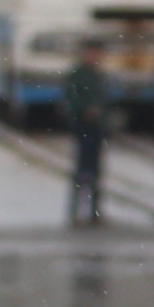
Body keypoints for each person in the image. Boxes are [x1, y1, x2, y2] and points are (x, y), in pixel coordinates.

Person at [58, 44, 121, 227]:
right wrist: (84, 110)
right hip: (82, 126)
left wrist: (104, 117)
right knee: (82, 169)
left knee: (95, 170)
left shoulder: (99, 76)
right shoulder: (78, 76)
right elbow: (71, 99)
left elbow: (105, 100)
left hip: (97, 128)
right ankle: (77, 210)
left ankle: (94, 211)